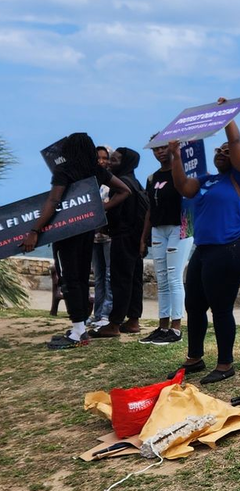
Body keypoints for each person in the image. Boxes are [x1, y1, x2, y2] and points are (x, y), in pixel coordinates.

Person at [166, 100, 240, 384]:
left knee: (220, 307)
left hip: (230, 249)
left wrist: (227, 116)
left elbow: (236, 140)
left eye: (226, 151)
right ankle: (194, 358)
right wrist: (175, 157)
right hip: (203, 250)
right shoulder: (206, 180)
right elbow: (183, 187)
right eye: (218, 149)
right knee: (194, 304)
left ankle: (225, 363)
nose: (221, 152)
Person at [22, 132, 130, 350]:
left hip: (66, 233)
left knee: (70, 279)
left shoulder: (65, 170)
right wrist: (99, 211)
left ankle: (78, 331)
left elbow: (53, 201)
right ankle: (78, 328)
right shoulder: (97, 170)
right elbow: (124, 190)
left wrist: (34, 230)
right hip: (87, 231)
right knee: (81, 277)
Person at [138, 142, 193, 345]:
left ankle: (176, 329)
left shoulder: (182, 173)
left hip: (180, 227)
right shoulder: (152, 178)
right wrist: (143, 238)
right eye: (155, 149)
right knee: (161, 279)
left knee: (174, 277)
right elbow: (150, 210)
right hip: (158, 229)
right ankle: (162, 327)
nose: (160, 151)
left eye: (163, 147)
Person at [94, 146, 148, 337]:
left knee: (120, 281)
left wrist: (103, 221)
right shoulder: (136, 183)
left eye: (115, 160)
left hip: (122, 237)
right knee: (134, 280)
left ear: (125, 163)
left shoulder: (121, 184)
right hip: (136, 238)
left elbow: (115, 213)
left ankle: (114, 324)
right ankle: (133, 321)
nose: (109, 162)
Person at [86, 145, 114, 332]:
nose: (102, 161)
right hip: (94, 236)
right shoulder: (89, 182)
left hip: (109, 236)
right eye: (98, 158)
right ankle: (97, 314)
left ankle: (106, 314)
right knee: (99, 276)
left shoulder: (111, 181)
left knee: (109, 276)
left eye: (105, 158)